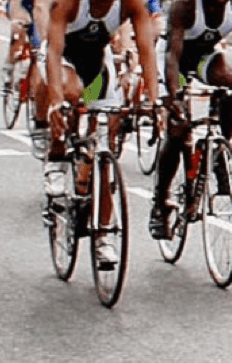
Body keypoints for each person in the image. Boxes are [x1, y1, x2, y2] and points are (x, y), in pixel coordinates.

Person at [38, 0, 163, 266]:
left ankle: (103, 233)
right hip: (62, 62)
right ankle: (56, 154)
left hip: (97, 69)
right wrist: (56, 102)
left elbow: (146, 52)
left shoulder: (131, 5)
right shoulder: (71, 4)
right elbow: (54, 51)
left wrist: (154, 102)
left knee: (104, 154)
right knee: (71, 96)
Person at [149, 0, 232, 239]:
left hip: (205, 55)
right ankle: (161, 202)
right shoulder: (184, 6)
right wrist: (174, 100)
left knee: (229, 80)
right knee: (178, 129)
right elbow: (172, 58)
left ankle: (218, 150)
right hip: (173, 59)